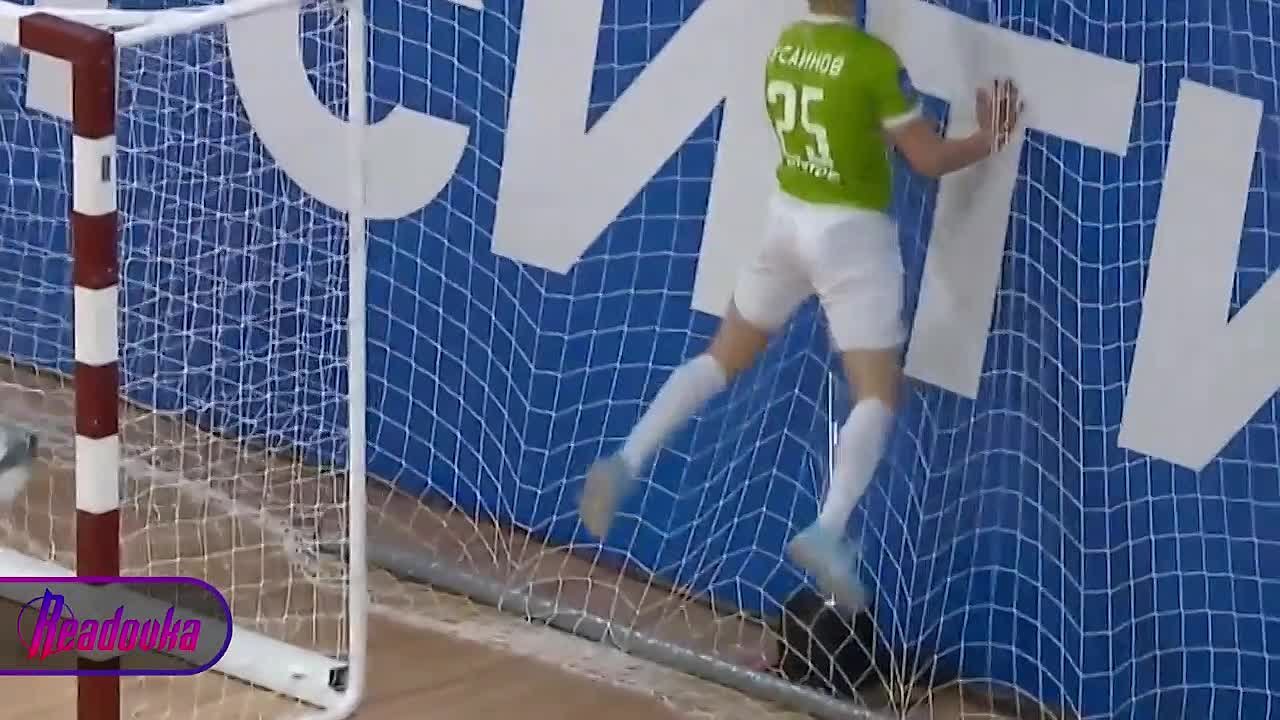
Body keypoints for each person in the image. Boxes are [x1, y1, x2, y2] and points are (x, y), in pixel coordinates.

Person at [579, 0, 1022, 609]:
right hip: (850, 236)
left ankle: (627, 459)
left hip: (787, 222)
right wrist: (986, 140)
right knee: (876, 393)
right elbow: (927, 159)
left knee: (719, 359)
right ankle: (828, 528)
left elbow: (835, 128)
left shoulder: (786, 46)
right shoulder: (873, 61)